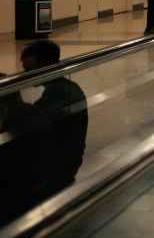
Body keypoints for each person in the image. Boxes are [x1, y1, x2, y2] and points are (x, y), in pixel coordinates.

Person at [0, 41, 88, 224]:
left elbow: (34, 125)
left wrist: (11, 102)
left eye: (30, 70)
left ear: (45, 66)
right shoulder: (64, 90)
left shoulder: (61, 94)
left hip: (53, 174)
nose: (26, 76)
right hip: (58, 165)